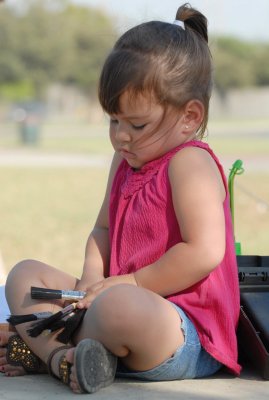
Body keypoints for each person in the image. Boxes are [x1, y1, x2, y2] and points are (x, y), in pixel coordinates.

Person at [2, 3, 241, 394]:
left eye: (137, 124)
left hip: (181, 332)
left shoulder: (190, 163)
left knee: (120, 307)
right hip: (110, 302)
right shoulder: (125, 160)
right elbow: (102, 229)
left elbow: (203, 252)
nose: (120, 136)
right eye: (113, 120)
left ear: (190, 116)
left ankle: (39, 343)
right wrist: (90, 284)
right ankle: (61, 359)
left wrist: (126, 283)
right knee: (24, 275)